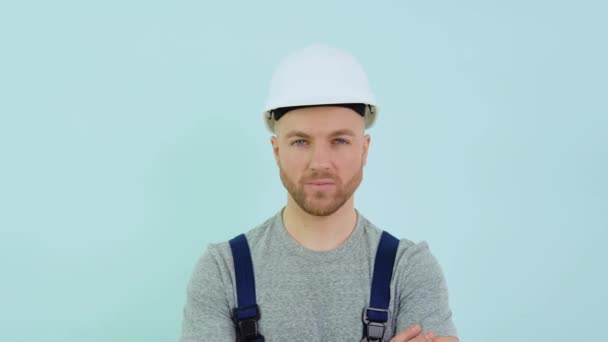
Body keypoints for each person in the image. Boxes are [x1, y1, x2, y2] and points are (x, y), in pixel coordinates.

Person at [179, 44, 459, 342]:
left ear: (364, 150)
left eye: (339, 140)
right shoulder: (222, 271)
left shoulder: (410, 270)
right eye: (300, 142)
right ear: (276, 151)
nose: (320, 162)